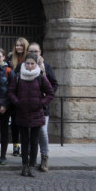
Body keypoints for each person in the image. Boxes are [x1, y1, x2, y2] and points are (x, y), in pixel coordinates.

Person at [8, 53, 54, 177]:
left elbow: (50, 93)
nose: (29, 66)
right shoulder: (18, 77)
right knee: (24, 140)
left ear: (36, 64)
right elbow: (11, 92)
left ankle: (32, 166)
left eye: (32, 63)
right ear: (24, 64)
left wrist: (41, 103)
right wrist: (18, 102)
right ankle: (24, 165)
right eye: (27, 63)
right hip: (22, 112)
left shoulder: (40, 77)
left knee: (34, 141)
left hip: (36, 113)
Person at [23, 42, 59, 172]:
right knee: (27, 133)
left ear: (40, 52)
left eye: (35, 51)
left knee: (42, 132)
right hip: (26, 108)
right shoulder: (22, 67)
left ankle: (44, 157)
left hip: (41, 107)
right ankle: (28, 158)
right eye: (30, 51)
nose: (33, 53)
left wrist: (44, 98)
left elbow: (54, 85)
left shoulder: (46, 67)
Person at [6, 37, 29, 157]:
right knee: (14, 122)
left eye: (21, 45)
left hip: (24, 94)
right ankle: (15, 146)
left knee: (24, 123)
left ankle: (26, 146)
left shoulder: (29, 59)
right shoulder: (10, 58)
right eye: (17, 45)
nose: (19, 47)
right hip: (11, 93)